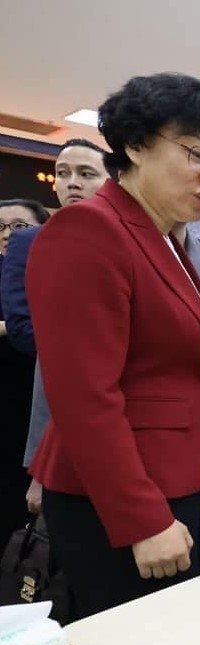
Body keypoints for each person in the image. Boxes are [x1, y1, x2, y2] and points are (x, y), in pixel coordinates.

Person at [25, 73, 200, 619]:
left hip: (179, 478)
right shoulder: (88, 231)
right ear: (135, 144)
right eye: (196, 156)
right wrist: (142, 519)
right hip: (116, 498)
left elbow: (177, 370)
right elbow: (85, 397)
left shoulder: (166, 241)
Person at [3, 140, 111, 518]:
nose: (72, 183)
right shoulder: (30, 242)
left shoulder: (122, 240)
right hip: (47, 398)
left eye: (86, 174)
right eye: (63, 174)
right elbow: (22, 328)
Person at [0, 198, 48, 551]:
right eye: (0, 227)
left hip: (30, 408)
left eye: (19, 226)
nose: (7, 235)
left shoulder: (45, 275)